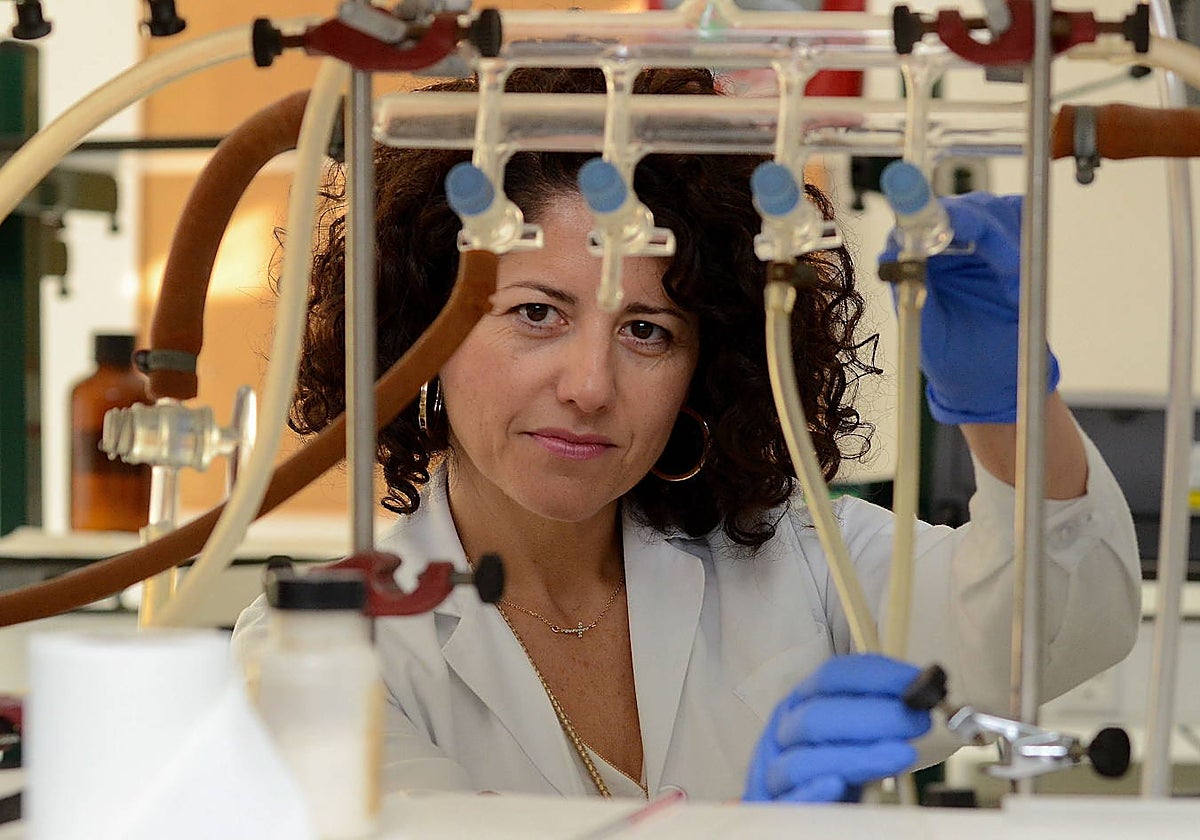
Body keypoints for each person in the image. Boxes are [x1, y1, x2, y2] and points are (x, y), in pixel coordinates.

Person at [233, 66, 1140, 802]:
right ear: (421, 332)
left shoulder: (792, 554)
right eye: (538, 313)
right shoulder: (325, 647)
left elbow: (1055, 630)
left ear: (705, 366)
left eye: (647, 331)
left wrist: (1005, 405)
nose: (590, 386)